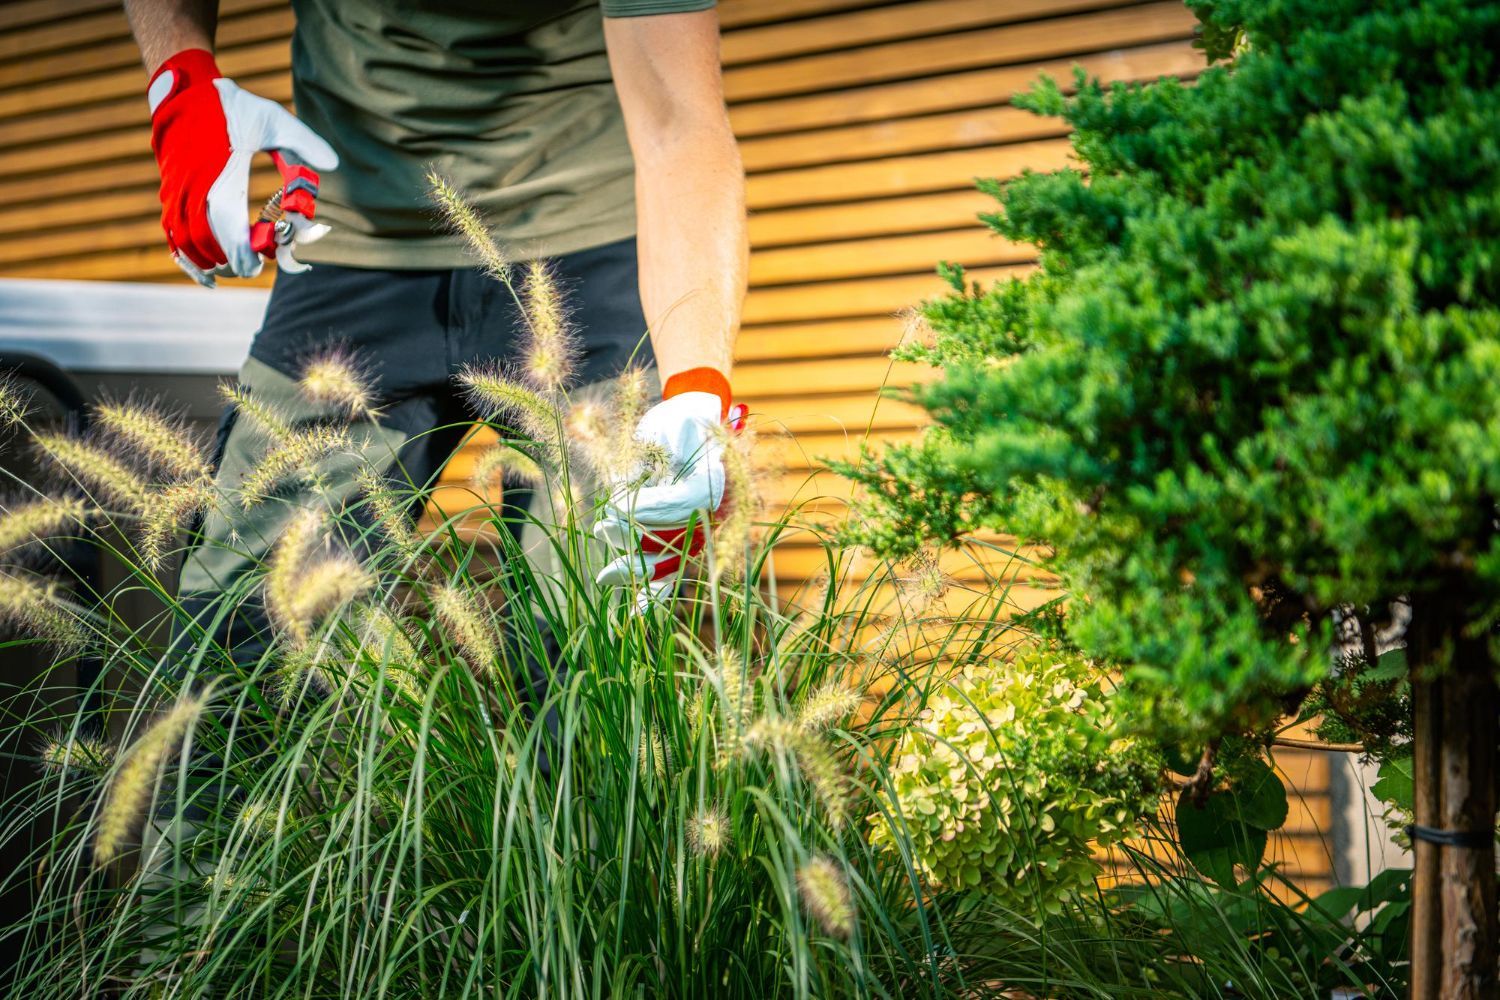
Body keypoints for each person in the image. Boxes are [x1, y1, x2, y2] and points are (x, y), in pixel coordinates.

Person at [123, 0, 747, 649]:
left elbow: (680, 124)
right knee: (250, 635)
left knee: (596, 638)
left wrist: (697, 390)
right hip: (352, 241)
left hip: (586, 242)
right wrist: (180, 85)